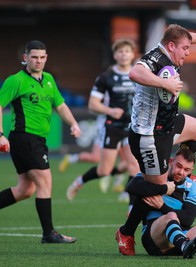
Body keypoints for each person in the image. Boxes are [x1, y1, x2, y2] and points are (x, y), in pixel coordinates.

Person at [115, 24, 196, 256]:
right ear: (170, 47)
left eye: (189, 48)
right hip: (149, 136)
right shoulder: (154, 58)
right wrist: (165, 83)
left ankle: (183, 171)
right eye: (185, 49)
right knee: (156, 191)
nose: (188, 52)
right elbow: (134, 73)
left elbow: (182, 37)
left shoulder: (171, 45)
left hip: (167, 124)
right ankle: (126, 232)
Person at [0, 40, 81, 243]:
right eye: (34, 57)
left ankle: (48, 233)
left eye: (42, 57)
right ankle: (49, 233)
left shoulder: (49, 80)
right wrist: (0, 134)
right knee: (45, 180)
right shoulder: (16, 80)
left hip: (38, 140)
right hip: (24, 137)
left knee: (25, 190)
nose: (39, 61)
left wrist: (73, 123)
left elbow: (60, 106)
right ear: (25, 58)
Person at [66, 39, 140, 201]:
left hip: (132, 127)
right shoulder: (106, 77)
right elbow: (93, 104)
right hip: (111, 127)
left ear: (132, 54)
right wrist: (110, 110)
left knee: (134, 166)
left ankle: (131, 206)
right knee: (104, 171)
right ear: (115, 55)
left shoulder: (138, 74)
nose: (124, 54)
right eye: (120, 51)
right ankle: (79, 181)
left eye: (127, 51)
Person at [59, 114, 128, 194]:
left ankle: (117, 183)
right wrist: (111, 111)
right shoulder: (109, 105)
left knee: (126, 159)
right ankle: (71, 159)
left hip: (122, 126)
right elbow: (95, 105)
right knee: (96, 158)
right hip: (106, 128)